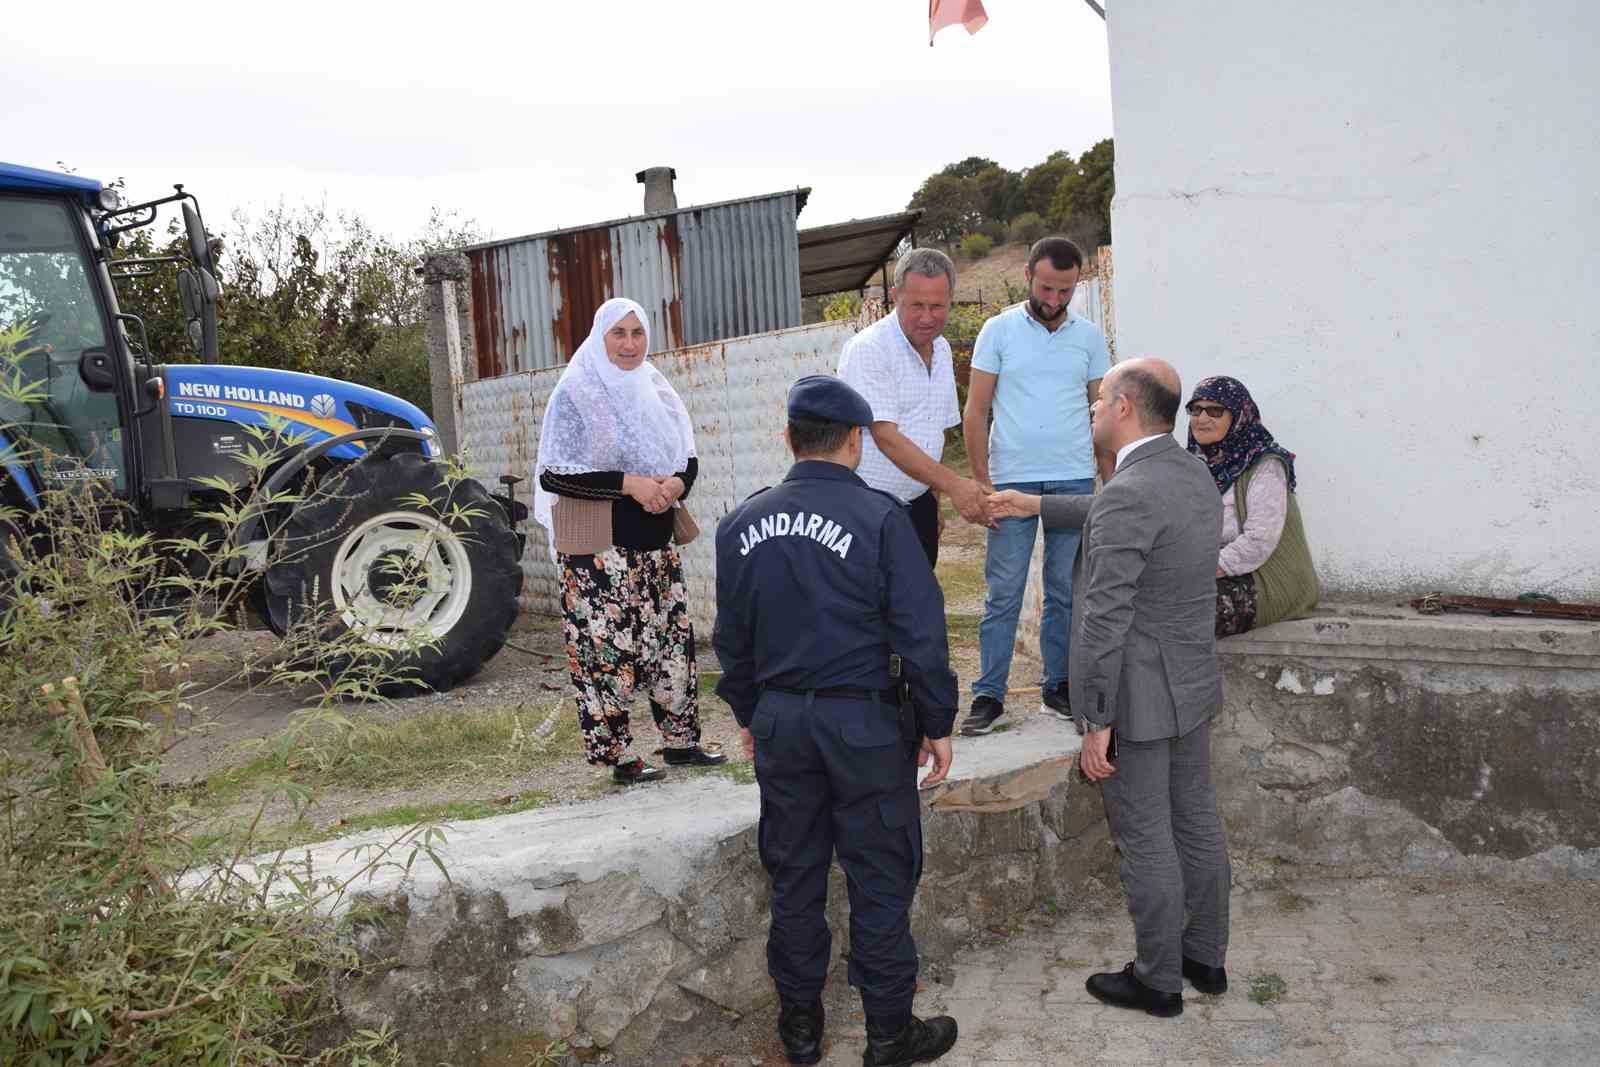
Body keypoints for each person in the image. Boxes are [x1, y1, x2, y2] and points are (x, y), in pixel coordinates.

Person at [713, 374, 959, 1066]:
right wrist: (937, 720)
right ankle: (888, 1034)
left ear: (789, 437)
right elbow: (922, 633)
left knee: (795, 876)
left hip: (784, 722)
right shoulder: (881, 518)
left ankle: (801, 1032)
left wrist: (751, 710)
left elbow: (730, 638)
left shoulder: (741, 524)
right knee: (878, 874)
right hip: (866, 726)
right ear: (856, 441)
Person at [989, 358, 1232, 1018]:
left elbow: (1103, 614)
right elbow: (1111, 512)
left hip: (1140, 695)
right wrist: (1035, 503)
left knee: (1148, 836)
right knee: (1197, 820)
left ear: (1125, 407)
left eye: (1098, 400)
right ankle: (1205, 956)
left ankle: (1158, 981)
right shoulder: (1189, 474)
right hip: (1189, 683)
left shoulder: (1132, 491)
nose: (1092, 410)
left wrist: (1097, 717)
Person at [533, 297, 726, 786]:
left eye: (637, 333)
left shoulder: (655, 388)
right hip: (600, 555)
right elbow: (556, 473)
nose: (629, 344)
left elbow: (688, 455)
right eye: (618, 333)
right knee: (606, 653)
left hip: (656, 547)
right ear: (600, 338)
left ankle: (681, 743)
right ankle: (618, 757)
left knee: (670, 646)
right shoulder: (575, 392)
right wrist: (630, 484)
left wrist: (676, 485)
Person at [959, 237, 1110, 736]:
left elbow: (1103, 414)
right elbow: (975, 411)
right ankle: (988, 695)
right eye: (1047, 287)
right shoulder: (996, 330)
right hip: (1011, 479)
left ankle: (1058, 685)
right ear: (1028, 274)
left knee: (1066, 591)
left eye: (1066, 290)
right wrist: (982, 484)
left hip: (1072, 477)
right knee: (1003, 592)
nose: (1055, 298)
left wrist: (1110, 484)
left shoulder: (1089, 337)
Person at [837, 247, 989, 567]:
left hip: (917, 505)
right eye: (916, 305)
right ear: (895, 296)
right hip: (870, 510)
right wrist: (954, 486)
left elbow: (937, 431)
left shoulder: (943, 349)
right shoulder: (869, 349)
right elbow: (885, 436)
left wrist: (932, 499)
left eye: (937, 306)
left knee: (917, 605)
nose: (927, 317)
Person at [1185, 376, 1320, 636]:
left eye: (1215, 410)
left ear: (1238, 416)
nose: (1202, 418)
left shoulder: (1264, 463)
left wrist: (1196, 571)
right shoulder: (1194, 463)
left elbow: (1259, 540)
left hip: (1265, 577)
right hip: (1215, 570)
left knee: (1186, 612)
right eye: (1195, 409)